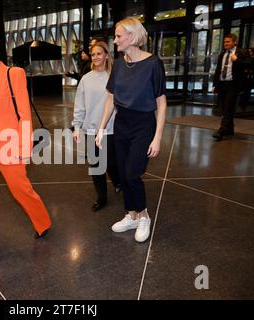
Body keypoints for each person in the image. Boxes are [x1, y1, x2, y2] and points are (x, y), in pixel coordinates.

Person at [0, 29, 51, 270]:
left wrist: (26, 147)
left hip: (9, 144)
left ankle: (42, 221)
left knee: (20, 190)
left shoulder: (13, 74)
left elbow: (24, 113)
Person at [96, 17, 167, 243]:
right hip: (122, 124)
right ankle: (132, 214)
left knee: (131, 173)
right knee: (123, 173)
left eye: (118, 36)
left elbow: (162, 103)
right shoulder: (118, 64)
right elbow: (110, 98)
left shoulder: (153, 64)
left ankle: (144, 215)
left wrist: (157, 137)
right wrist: (101, 127)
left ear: (132, 37)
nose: (115, 41)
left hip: (144, 124)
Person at [72, 40, 121, 212]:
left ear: (107, 55)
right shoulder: (86, 79)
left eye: (99, 53)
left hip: (113, 129)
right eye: (93, 54)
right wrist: (76, 126)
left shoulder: (115, 76)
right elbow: (79, 105)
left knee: (112, 163)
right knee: (96, 166)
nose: (95, 57)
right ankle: (102, 198)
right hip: (92, 130)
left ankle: (118, 182)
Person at [212, 34, 246, 141]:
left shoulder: (241, 53)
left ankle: (221, 130)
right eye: (224, 42)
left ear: (234, 42)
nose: (225, 44)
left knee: (228, 107)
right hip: (222, 84)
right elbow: (218, 70)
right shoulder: (222, 54)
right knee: (225, 108)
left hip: (233, 85)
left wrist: (237, 60)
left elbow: (249, 65)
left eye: (228, 42)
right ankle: (229, 129)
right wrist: (215, 85)